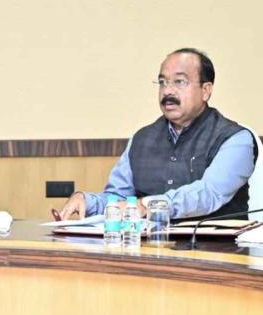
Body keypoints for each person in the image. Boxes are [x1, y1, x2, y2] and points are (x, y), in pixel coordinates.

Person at [58, 48, 256, 221]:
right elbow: (120, 200)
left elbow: (209, 194)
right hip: (149, 247)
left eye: (179, 81)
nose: (167, 91)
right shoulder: (141, 139)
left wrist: (148, 205)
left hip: (216, 249)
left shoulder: (235, 139)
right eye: (162, 82)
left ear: (206, 90)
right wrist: (87, 200)